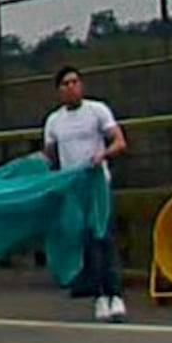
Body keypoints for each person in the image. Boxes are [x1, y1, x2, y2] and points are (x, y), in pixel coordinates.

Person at [43, 65, 128, 322]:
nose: (72, 87)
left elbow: (119, 141)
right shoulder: (54, 121)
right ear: (59, 90)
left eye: (75, 82)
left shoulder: (97, 111)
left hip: (97, 184)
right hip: (74, 188)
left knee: (103, 236)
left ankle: (115, 295)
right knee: (86, 239)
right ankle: (100, 295)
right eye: (66, 84)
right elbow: (49, 156)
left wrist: (103, 154)